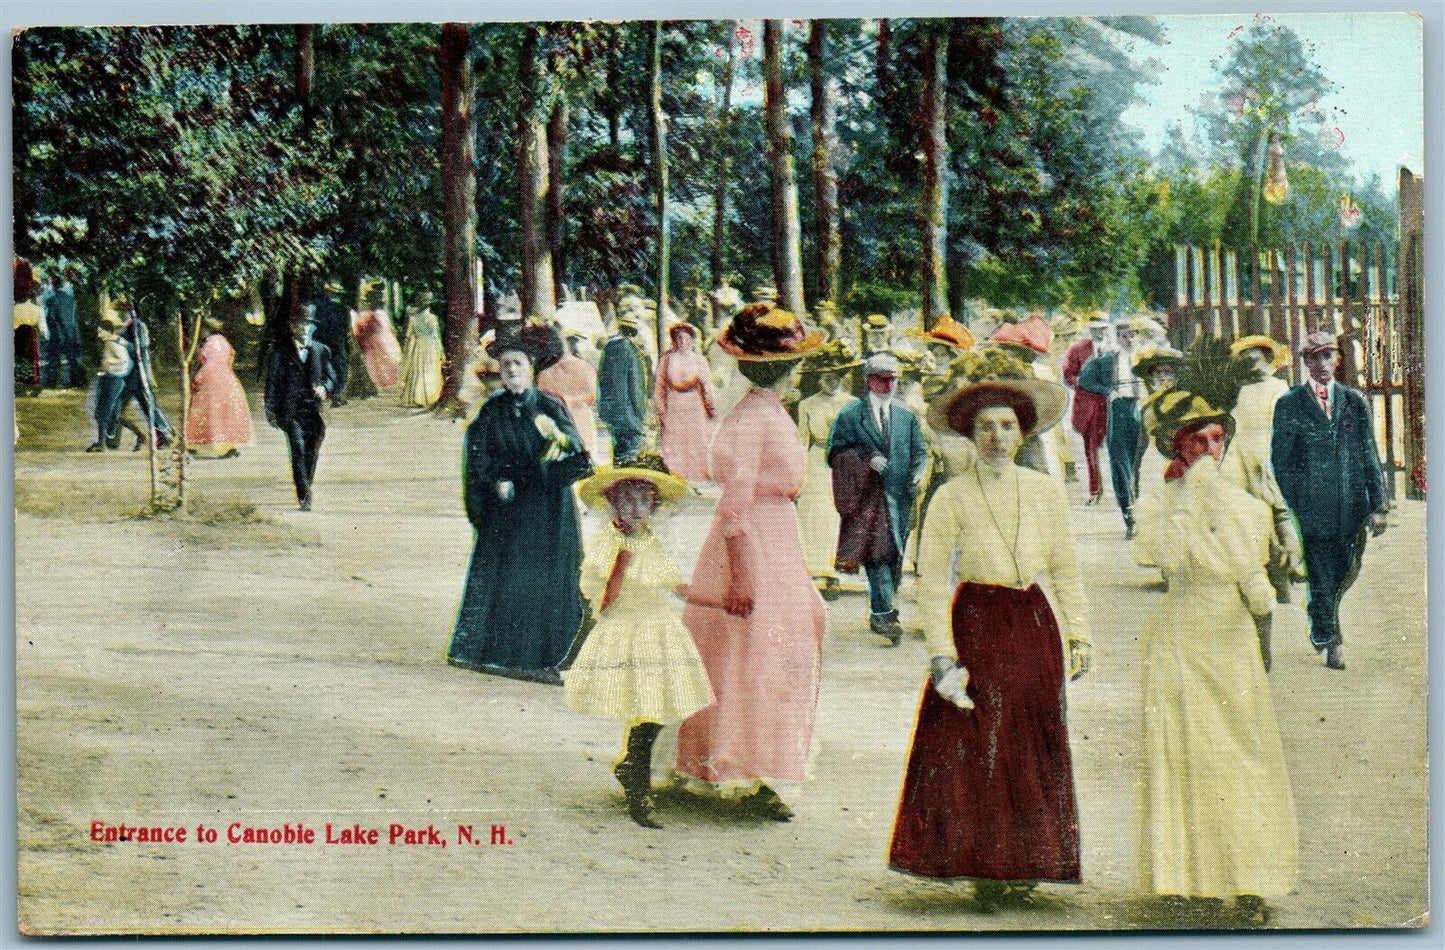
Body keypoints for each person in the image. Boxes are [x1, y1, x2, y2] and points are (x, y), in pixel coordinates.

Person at [889, 376, 1090, 910]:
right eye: (985, 427)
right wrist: (941, 654)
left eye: (1007, 426)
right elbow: (931, 581)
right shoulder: (951, 496)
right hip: (977, 620)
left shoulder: (1044, 491)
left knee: (1032, 740)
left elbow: (1066, 567)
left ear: (1022, 434)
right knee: (981, 740)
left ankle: (1029, 860)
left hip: (1032, 621)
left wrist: (1078, 632)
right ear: (970, 435)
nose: (997, 437)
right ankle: (985, 864)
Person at [1133, 384, 1298, 926]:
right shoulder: (1160, 503)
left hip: (1228, 632)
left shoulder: (1245, 507)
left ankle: (1250, 877)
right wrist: (1191, 505)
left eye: (1217, 439)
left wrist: (1259, 608)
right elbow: (1155, 557)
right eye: (1197, 442)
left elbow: (1258, 588)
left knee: (1240, 750)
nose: (1210, 450)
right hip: (1181, 631)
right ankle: (1189, 878)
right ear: (1177, 448)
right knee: (1187, 749)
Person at [673, 302, 826, 821]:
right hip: (753, 542)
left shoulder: (767, 411)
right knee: (752, 651)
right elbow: (734, 505)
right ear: (783, 367)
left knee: (778, 648)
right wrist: (741, 575)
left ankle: (763, 765)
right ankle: (737, 762)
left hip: (777, 536)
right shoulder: (751, 419)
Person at [565, 455, 714, 828]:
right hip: (626, 628)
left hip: (659, 626)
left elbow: (673, 584)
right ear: (612, 503)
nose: (636, 508)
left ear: (654, 504)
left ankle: (633, 764)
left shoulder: (648, 538)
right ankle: (637, 781)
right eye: (627, 499)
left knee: (665, 703)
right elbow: (600, 601)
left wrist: (718, 600)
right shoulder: (607, 543)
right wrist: (619, 566)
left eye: (643, 500)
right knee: (646, 702)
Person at [448, 320, 592, 684]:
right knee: (509, 580)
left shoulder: (549, 407)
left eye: (519, 364)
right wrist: (493, 483)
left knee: (545, 581)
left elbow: (578, 458)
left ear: (532, 369)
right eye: (506, 364)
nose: (511, 370)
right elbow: (477, 459)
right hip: (508, 515)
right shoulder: (490, 412)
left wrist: (536, 476)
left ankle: (548, 659)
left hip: (547, 513)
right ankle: (498, 655)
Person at [1271, 330, 1387, 671]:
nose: (1321, 364)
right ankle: (1330, 636)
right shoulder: (1290, 404)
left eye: (1326, 356)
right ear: (1304, 362)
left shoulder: (1353, 402)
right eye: (1313, 357)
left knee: (1346, 570)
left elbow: (1368, 452)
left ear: (1336, 359)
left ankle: (1320, 619)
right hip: (1314, 510)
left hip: (1351, 507)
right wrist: (1300, 500)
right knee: (1321, 574)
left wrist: (1377, 505)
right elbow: (1281, 461)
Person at [827, 352, 928, 646]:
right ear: (868, 381)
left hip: (901, 497)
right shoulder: (849, 415)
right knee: (877, 556)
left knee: (895, 556)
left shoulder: (906, 416)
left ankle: (884, 604)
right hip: (867, 498)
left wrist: (919, 474)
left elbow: (920, 452)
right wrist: (866, 458)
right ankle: (882, 613)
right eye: (881, 379)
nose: (888, 385)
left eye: (893, 379)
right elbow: (835, 453)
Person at [1224, 335, 1303, 603]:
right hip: (1242, 455)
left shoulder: (1279, 388)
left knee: (1281, 513)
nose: (1252, 367)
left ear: (1268, 360)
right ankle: (1269, 575)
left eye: (1256, 360)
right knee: (1256, 520)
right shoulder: (1236, 391)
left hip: (1271, 452)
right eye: (1246, 362)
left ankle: (1291, 565)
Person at [794, 342, 861, 599]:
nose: (831, 383)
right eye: (826, 378)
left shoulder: (852, 403)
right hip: (816, 460)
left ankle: (835, 571)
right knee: (816, 512)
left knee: (839, 512)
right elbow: (803, 439)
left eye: (836, 378)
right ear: (819, 379)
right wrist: (798, 472)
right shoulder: (807, 404)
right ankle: (816, 568)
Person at [1077, 316, 1146, 537]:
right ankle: (1129, 518)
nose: (1129, 339)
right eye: (1124, 336)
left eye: (1132, 335)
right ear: (1118, 337)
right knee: (1119, 466)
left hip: (1141, 413)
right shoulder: (1107, 360)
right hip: (1118, 414)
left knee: (1137, 466)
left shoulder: (1145, 359)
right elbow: (1084, 379)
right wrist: (1108, 391)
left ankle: (1138, 507)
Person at [264, 313, 337, 511]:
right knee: (297, 447)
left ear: (312, 328)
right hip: (291, 411)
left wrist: (324, 388)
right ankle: (304, 495)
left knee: (312, 451)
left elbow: (331, 376)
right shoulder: (280, 353)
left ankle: (306, 484)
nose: (304, 329)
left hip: (314, 411)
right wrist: (269, 409)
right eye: (300, 325)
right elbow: (271, 383)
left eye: (308, 326)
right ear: (292, 328)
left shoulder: (321, 350)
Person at [653, 322, 716, 483]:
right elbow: (659, 387)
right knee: (675, 441)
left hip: (694, 404)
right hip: (674, 404)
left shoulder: (699, 359)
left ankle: (698, 477)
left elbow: (707, 385)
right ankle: (676, 477)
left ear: (690, 340)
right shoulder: (666, 359)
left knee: (696, 440)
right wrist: (661, 410)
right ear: (674, 340)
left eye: (685, 338)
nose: (682, 342)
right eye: (678, 338)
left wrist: (711, 408)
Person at [186, 323, 253, 459]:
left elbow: (202, 360)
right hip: (226, 376)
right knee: (227, 411)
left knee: (205, 410)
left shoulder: (206, 344)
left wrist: (195, 377)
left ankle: (193, 443)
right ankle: (229, 445)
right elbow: (230, 359)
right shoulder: (225, 343)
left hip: (208, 374)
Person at [1062, 319, 1110, 505]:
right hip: (1087, 405)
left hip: (1110, 404)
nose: (1099, 332)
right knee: (1091, 449)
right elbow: (1068, 375)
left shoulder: (1114, 349)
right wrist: (1079, 382)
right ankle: (1094, 489)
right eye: (1095, 329)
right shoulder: (1078, 349)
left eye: (1102, 329)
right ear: (1090, 330)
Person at [115, 301, 175, 448]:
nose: (121, 313)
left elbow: (139, 350)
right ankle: (111, 439)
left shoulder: (136, 326)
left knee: (146, 404)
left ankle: (164, 432)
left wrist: (120, 342)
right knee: (128, 405)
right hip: (129, 373)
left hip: (137, 373)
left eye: (124, 310)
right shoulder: (127, 327)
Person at [537, 329, 600, 459]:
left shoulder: (544, 373)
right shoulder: (584, 366)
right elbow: (593, 395)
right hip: (578, 417)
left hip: (569, 420)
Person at [86, 314, 144, 452]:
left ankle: (101, 444)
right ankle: (139, 436)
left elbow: (124, 361)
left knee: (103, 412)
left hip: (114, 379)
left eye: (100, 331)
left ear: (107, 331)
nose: (99, 334)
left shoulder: (112, 343)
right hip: (111, 378)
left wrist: (109, 364)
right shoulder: (110, 342)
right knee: (111, 414)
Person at [597, 312, 647, 464]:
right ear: (632, 333)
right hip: (629, 413)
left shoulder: (609, 348)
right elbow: (635, 386)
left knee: (618, 452)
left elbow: (602, 380)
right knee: (631, 456)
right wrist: (640, 412)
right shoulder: (630, 350)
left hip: (611, 411)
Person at [397, 290, 444, 408]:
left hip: (419, 346)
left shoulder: (413, 318)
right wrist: (441, 351)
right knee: (429, 370)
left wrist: (407, 348)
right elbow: (436, 336)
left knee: (419, 371)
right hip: (430, 345)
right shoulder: (433, 318)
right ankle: (429, 396)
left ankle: (419, 397)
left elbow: (408, 336)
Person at [352, 283, 402, 389]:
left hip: (384, 338)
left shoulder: (381, 313)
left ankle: (388, 379)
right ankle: (379, 380)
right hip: (374, 340)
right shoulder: (368, 313)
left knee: (389, 357)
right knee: (376, 361)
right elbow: (363, 329)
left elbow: (388, 327)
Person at [309, 281, 352, 405]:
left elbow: (314, 322)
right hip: (336, 340)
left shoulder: (318, 305)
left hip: (321, 339)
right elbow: (346, 327)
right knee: (339, 366)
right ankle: (336, 394)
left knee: (322, 366)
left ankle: (324, 392)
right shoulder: (343, 308)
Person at [41, 272, 84, 389]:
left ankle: (51, 383)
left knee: (53, 360)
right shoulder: (70, 298)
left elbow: (51, 318)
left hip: (58, 334)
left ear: (52, 285)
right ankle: (76, 381)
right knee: (72, 359)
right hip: (71, 333)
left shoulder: (51, 300)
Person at [13, 259, 46, 395]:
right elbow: (43, 327)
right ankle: (32, 382)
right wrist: (43, 333)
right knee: (31, 357)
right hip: (30, 334)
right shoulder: (36, 308)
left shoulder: (13, 307)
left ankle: (19, 382)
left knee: (18, 357)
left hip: (16, 333)